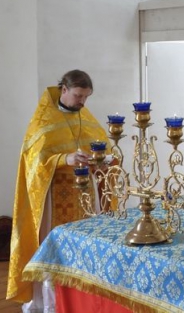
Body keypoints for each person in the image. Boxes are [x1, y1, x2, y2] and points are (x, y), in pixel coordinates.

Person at [7, 70, 111, 311]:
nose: (82, 102)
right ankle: (50, 304)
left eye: (86, 97)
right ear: (64, 90)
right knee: (55, 252)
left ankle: (80, 302)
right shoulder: (44, 120)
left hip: (84, 195)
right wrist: (65, 158)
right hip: (53, 198)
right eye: (78, 96)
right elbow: (33, 162)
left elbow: (98, 146)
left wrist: (102, 160)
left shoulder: (85, 117)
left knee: (83, 249)